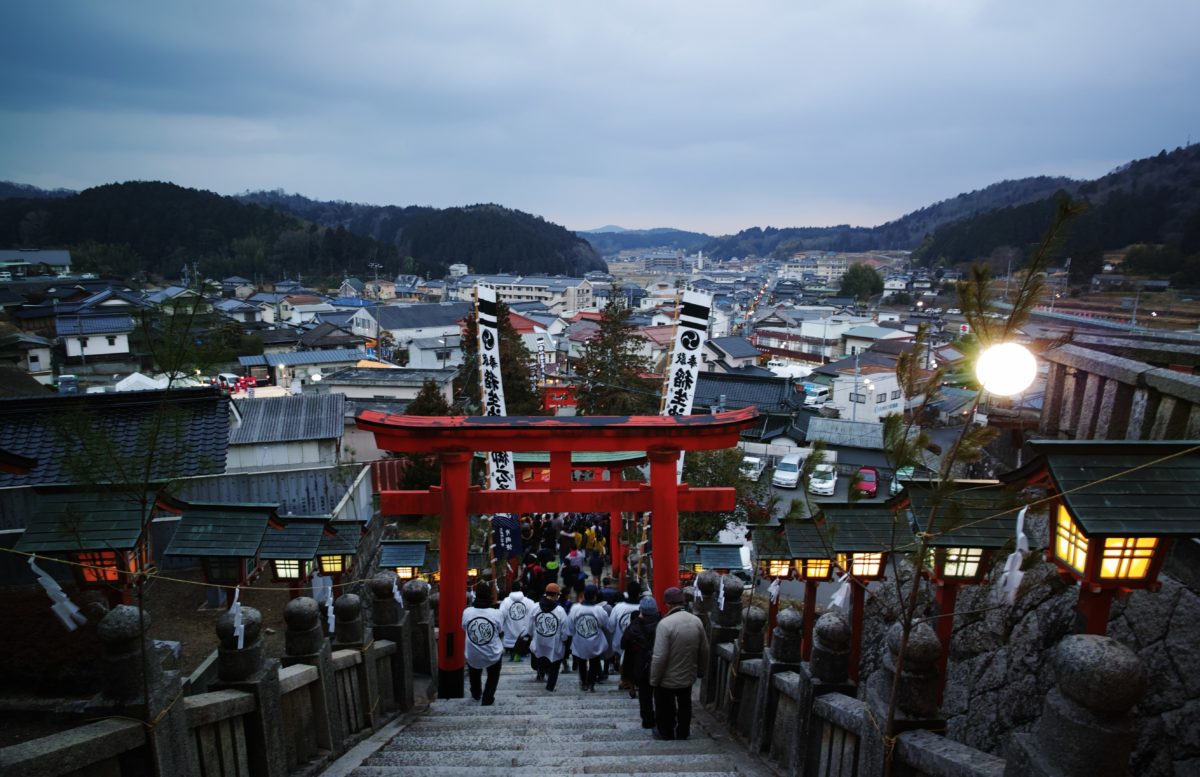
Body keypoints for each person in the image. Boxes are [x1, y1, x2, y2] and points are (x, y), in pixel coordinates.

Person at [649, 586, 707, 740]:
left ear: (667, 604)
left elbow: (659, 656)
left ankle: (665, 732)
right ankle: (683, 731)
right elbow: (704, 649)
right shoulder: (696, 621)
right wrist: (701, 670)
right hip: (688, 673)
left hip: (667, 677)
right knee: (685, 704)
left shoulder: (665, 624)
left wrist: (654, 679)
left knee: (664, 706)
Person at [461, 580, 504, 705]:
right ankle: (488, 697)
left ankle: (476, 693)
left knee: (474, 672)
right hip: (492, 651)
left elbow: (464, 627)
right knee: (493, 674)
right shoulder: (496, 613)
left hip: (473, 650)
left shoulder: (467, 612)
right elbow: (500, 630)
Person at [621, 597, 661, 729]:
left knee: (645, 694)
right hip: (659, 663)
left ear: (641, 611)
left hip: (641, 664)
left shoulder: (634, 626)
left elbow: (623, 644)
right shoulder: (663, 623)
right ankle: (663, 719)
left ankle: (647, 720)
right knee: (661, 693)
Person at [527, 582, 570, 691]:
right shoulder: (560, 611)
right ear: (555, 595)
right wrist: (564, 640)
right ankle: (550, 687)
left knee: (540, 657)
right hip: (554, 644)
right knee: (555, 665)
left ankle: (541, 673)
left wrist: (532, 635)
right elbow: (565, 631)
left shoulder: (535, 607)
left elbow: (530, 625)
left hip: (539, 641)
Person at [567, 584, 609, 692]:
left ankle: (584, 682)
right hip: (595, 639)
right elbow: (605, 623)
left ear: (584, 595)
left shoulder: (576, 608)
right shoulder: (599, 609)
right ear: (595, 596)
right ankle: (591, 683)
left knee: (582, 662)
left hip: (580, 639)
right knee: (594, 661)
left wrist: (574, 634)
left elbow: (570, 626)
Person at [607, 580, 641, 683]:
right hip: (640, 642)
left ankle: (624, 681)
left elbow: (611, 626)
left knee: (623, 660)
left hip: (620, 642)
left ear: (627, 592)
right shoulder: (643, 607)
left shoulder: (618, 607)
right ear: (639, 593)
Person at [498, 581, 534, 662]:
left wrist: (500, 630)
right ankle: (519, 654)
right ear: (520, 589)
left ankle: (514, 654)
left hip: (509, 636)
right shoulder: (529, 602)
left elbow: (501, 616)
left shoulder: (505, 602)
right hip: (524, 636)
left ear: (511, 589)